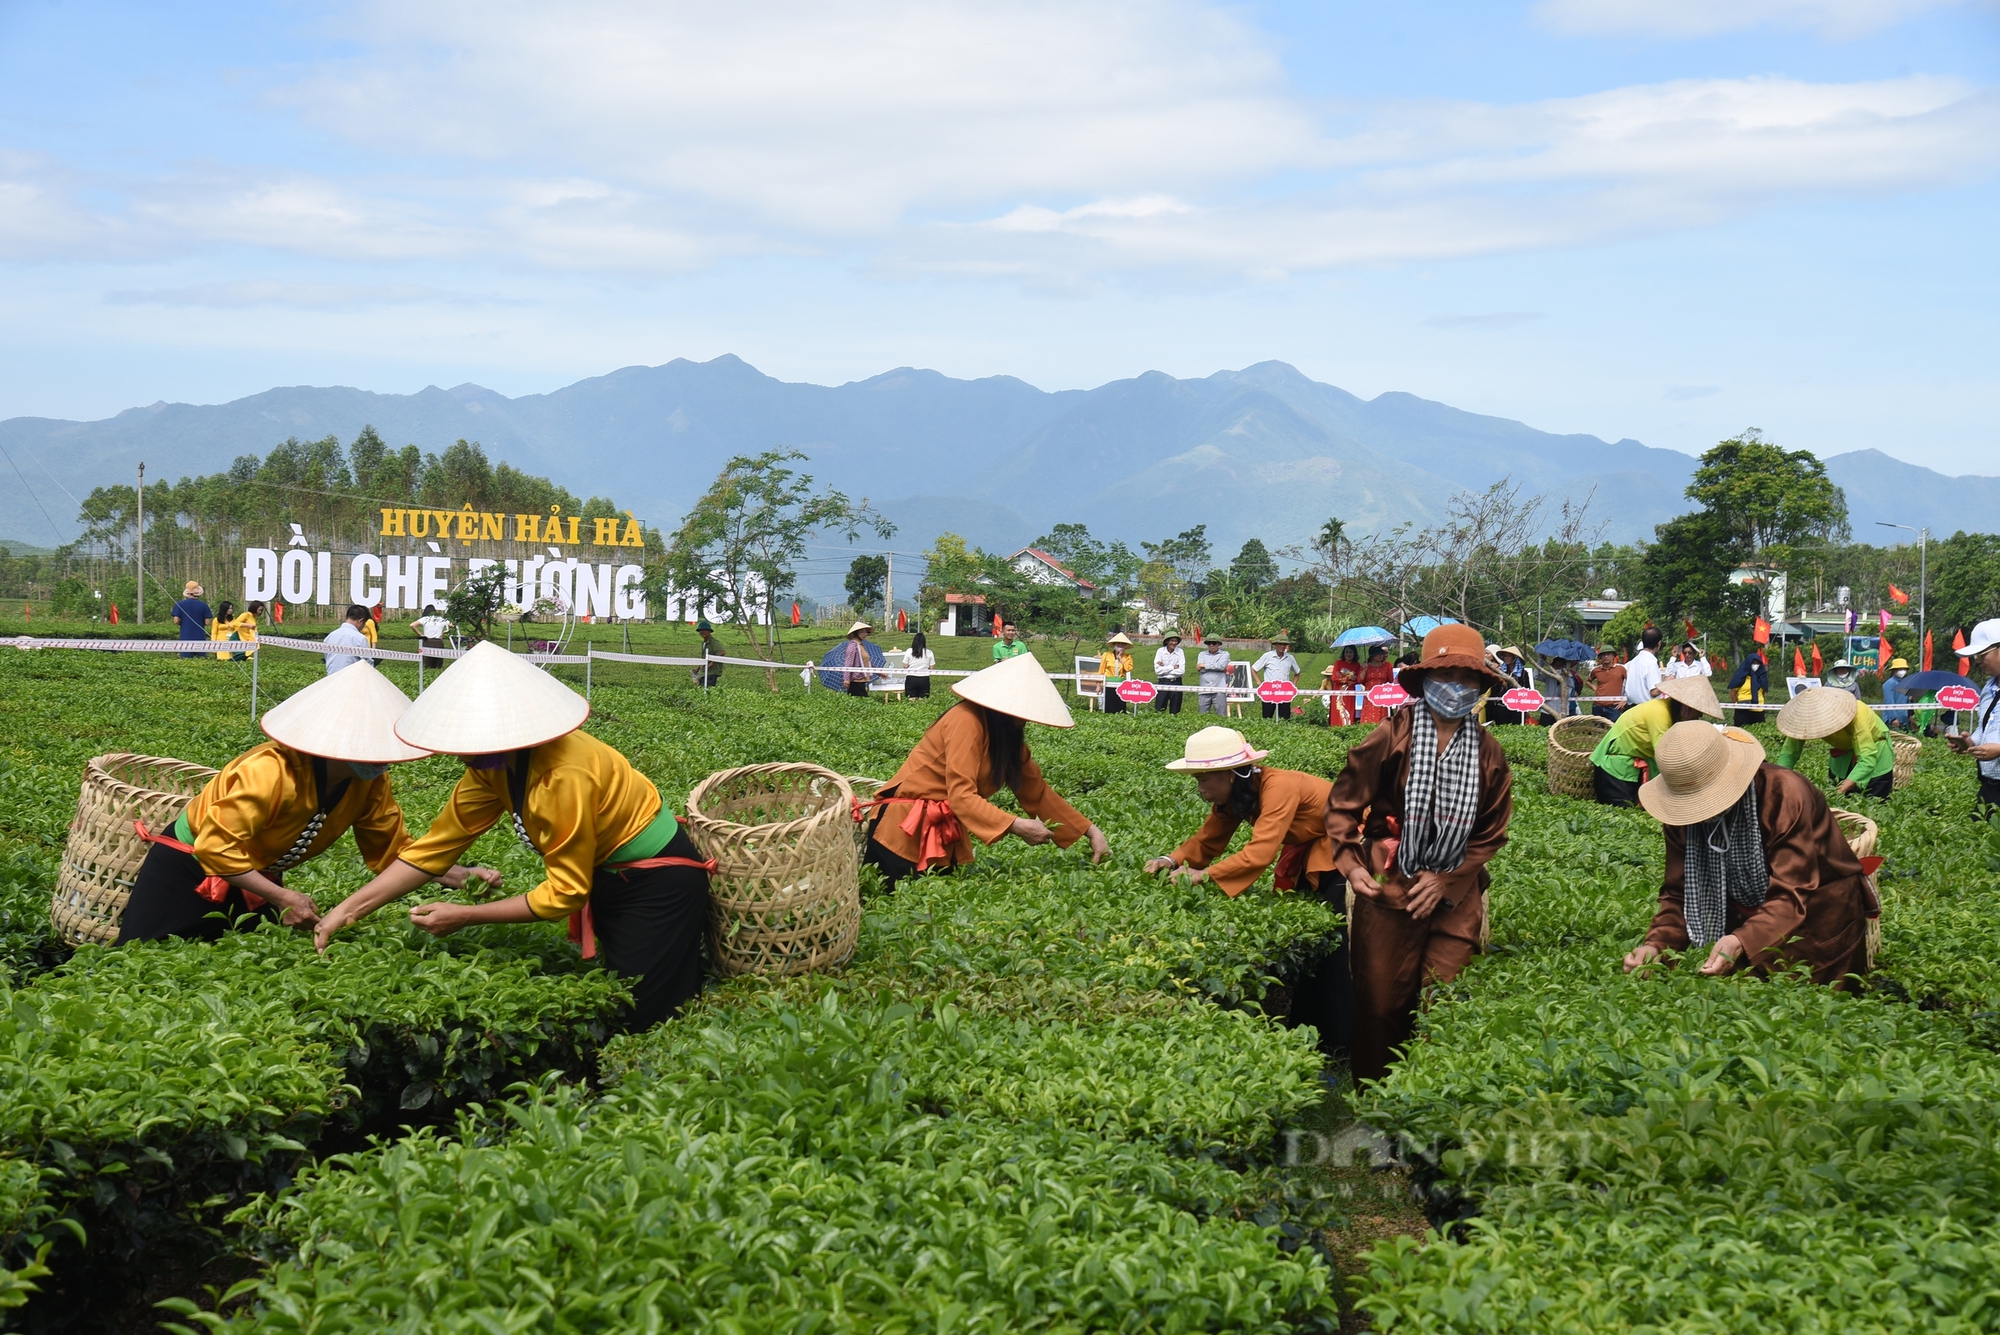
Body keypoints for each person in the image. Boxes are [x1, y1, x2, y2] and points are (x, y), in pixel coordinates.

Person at [315, 642, 711, 1030]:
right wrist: (347, 911)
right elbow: (432, 851)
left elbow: (566, 892)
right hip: (610, 876)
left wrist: (466, 916)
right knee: (620, 990)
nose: (460, 753)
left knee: (645, 1010)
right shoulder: (490, 768)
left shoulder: (563, 777)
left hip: (658, 883)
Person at [118, 662, 496, 943]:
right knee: (149, 951)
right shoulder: (269, 772)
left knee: (242, 953)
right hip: (189, 867)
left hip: (255, 875)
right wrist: (283, 897)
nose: (382, 758)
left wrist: (459, 876)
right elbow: (216, 848)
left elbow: (393, 852)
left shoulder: (371, 783)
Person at [1323, 623, 1515, 1085]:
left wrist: (1445, 879)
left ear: (1483, 686)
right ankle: (1376, 1097)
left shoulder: (1490, 752)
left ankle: (1427, 1103)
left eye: (1470, 679)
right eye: (1448, 675)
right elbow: (1343, 804)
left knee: (1444, 997)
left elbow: (1491, 832)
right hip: (1391, 881)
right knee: (1382, 1001)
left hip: (1456, 891)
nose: (1458, 688)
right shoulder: (1391, 735)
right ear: (1426, 680)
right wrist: (1350, 864)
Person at [1146, 727, 1348, 1056]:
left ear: (1228, 775)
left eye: (1203, 779)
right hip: (1312, 854)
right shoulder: (1241, 794)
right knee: (1318, 952)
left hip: (1346, 854)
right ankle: (1309, 1038)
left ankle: (1339, 1046)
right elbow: (1208, 838)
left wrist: (1202, 876)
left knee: (1336, 951)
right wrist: (1169, 860)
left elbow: (1260, 853)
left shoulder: (1278, 786)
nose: (1200, 788)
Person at [1623, 721, 1872, 985]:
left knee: (1813, 1002)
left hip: (1818, 914)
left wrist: (1742, 939)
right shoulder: (1680, 819)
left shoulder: (1784, 794)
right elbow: (1678, 893)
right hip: (1748, 920)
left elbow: (1793, 891)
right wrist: (1656, 945)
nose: (1702, 811)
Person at [860, 653, 1109, 890]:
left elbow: (1037, 793)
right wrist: (1015, 824)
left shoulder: (1008, 739)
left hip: (943, 834)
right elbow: (961, 795)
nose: (1026, 719)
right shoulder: (966, 721)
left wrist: (1090, 830)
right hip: (902, 829)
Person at [1589, 676, 1725, 806]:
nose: (1699, 716)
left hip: (1632, 773)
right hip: (1615, 774)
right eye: (1698, 713)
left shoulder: (1672, 716)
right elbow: (1665, 756)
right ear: (1686, 708)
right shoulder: (1659, 712)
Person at [1775, 687, 1896, 801]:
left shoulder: (1858, 713)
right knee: (1841, 801)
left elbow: (1868, 757)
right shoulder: (1803, 719)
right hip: (1843, 756)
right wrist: (1779, 780)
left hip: (1876, 754)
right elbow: (1789, 753)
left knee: (1873, 800)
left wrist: (1840, 789)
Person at [1947, 619, 2000, 807]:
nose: (1977, 661)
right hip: (1990, 784)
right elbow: (1986, 726)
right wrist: (1971, 742)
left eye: (1982, 654)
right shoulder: (1989, 687)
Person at [1251, 633, 1301, 720]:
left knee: (1284, 718)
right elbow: (1254, 669)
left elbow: (1297, 672)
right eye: (1280, 644)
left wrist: (1293, 685)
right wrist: (1259, 683)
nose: (1282, 646)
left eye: (1284, 644)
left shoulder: (1290, 658)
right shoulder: (1267, 656)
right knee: (1267, 717)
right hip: (1269, 691)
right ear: (1275, 645)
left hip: (1284, 692)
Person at [323, 604, 375, 675]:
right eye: (364, 624)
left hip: (331, 681)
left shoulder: (330, 636)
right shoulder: (360, 638)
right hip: (352, 682)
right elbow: (367, 664)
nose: (363, 627)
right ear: (360, 621)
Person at [1727, 648, 1769, 728]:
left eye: (1757, 663)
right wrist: (1737, 704)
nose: (1755, 665)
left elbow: (1763, 692)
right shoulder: (1741, 676)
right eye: (1753, 663)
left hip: (1758, 710)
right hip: (1743, 710)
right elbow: (1733, 693)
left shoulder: (1761, 677)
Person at [1624, 627, 1665, 708]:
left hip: (1631, 708)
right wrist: (1667, 682)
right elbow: (1654, 692)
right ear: (1659, 644)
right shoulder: (1651, 663)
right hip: (1646, 709)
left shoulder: (1633, 661)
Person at [170, 581, 212, 659]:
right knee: (201, 661)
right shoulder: (204, 605)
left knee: (186, 662)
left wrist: (184, 623)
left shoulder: (180, 604)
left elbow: (175, 621)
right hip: (200, 638)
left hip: (185, 637)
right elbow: (207, 622)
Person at [1100, 632, 1136, 714]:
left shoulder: (1128, 657)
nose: (1120, 646)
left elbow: (1128, 668)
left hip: (1121, 685)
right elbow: (1101, 670)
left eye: (1122, 644)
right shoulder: (1106, 655)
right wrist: (1099, 684)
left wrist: (1120, 658)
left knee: (1120, 707)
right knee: (1109, 706)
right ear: (1114, 645)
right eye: (1118, 644)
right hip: (1108, 683)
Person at [1325, 646, 1361, 726]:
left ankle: (1348, 728)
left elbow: (1358, 680)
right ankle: (1335, 728)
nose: (1348, 654)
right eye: (1347, 652)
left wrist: (1353, 679)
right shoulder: (1338, 663)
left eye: (1351, 652)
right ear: (1344, 653)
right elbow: (1334, 677)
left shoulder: (1357, 665)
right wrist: (1348, 679)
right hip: (1338, 692)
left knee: (1348, 710)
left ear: (1354, 654)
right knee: (1338, 710)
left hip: (1350, 693)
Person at [1196, 634, 1232, 716]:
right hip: (1204, 689)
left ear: (1219, 644)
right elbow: (1198, 668)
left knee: (1222, 716)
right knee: (1202, 717)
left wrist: (1204, 665)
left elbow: (1221, 666)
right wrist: (1217, 666)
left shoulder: (1225, 654)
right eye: (1209, 643)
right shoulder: (1202, 654)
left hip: (1219, 689)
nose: (1211, 645)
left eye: (1214, 643)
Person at [840, 620, 877, 698]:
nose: (864, 634)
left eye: (866, 632)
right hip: (856, 680)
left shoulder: (861, 645)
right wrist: (846, 679)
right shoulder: (853, 646)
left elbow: (867, 662)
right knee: (862, 701)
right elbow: (848, 663)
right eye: (862, 632)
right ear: (856, 633)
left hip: (862, 679)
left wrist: (879, 672)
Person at [1358, 647, 1394, 724]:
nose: (1381, 656)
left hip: (1382, 696)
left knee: (1382, 717)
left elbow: (1391, 681)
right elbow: (1360, 680)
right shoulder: (1366, 666)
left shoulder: (1387, 665)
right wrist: (1364, 669)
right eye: (1378, 654)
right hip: (1369, 696)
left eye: (1382, 654)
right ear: (1372, 655)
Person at [411, 605, 452, 673]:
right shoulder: (441, 619)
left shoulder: (425, 619)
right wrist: (444, 633)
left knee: (427, 662)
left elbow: (412, 625)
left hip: (427, 642)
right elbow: (452, 625)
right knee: (438, 662)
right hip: (439, 642)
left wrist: (421, 635)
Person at [1153, 633, 1186, 715]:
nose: (1174, 643)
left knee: (1175, 709)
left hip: (1176, 682)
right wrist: (1172, 667)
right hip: (1163, 681)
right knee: (1159, 708)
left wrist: (1165, 668)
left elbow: (1181, 671)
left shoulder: (1180, 652)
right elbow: (1158, 671)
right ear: (1167, 641)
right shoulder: (1160, 651)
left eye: (1175, 641)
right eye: (1172, 640)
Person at [1589, 647, 1627, 720]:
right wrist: (1595, 689)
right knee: (1597, 729)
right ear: (1600, 657)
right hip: (1598, 706)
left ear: (1613, 656)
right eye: (1603, 655)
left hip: (1614, 706)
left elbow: (1630, 684)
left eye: (1608, 654)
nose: (1606, 657)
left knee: (1614, 729)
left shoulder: (1621, 669)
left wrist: (1625, 699)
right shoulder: (1596, 670)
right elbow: (1588, 681)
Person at [1877, 658, 1912, 731]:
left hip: (1904, 720)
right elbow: (1889, 701)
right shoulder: (1889, 684)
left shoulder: (1905, 684)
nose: (1903, 671)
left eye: (1904, 669)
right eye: (1900, 669)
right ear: (1894, 670)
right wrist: (1893, 718)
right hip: (1892, 721)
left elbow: (1907, 701)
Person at [903, 630, 935, 700]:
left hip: (911, 678)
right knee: (923, 701)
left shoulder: (909, 651)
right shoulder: (929, 652)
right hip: (924, 679)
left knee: (911, 700)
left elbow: (905, 666)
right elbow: (932, 668)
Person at [693, 618, 723, 688]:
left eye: (704, 630)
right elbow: (704, 657)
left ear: (709, 631)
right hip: (704, 672)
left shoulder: (714, 642)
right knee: (702, 688)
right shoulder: (704, 643)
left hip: (711, 672)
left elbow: (722, 652)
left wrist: (712, 663)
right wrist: (698, 668)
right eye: (700, 631)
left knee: (708, 689)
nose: (702, 632)